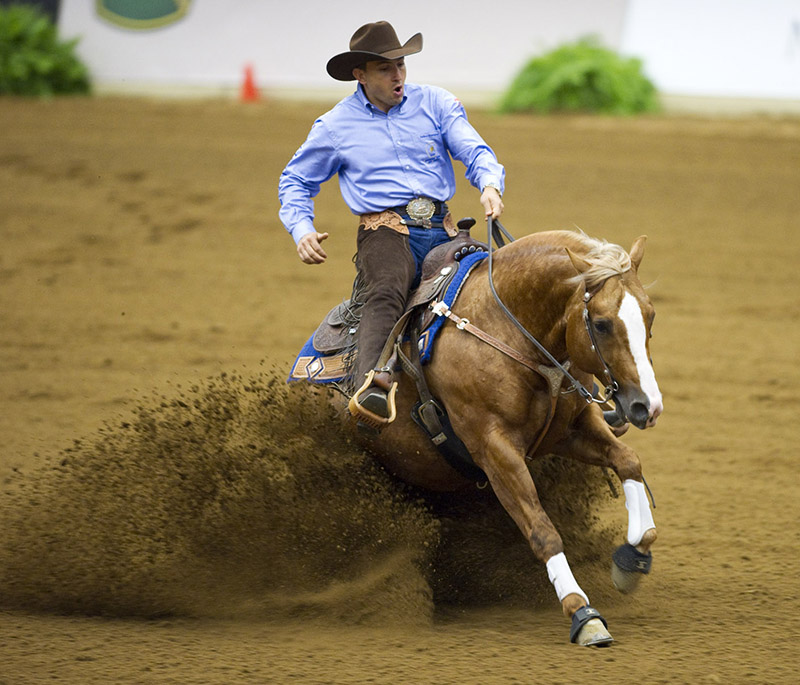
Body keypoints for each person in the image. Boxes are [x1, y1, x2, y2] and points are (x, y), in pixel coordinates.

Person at [279, 20, 506, 427]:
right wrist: (302, 229)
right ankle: (370, 389)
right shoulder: (335, 126)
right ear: (360, 75)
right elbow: (295, 180)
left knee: (496, 284)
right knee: (387, 289)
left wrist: (489, 184)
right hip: (384, 230)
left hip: (443, 228)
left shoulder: (436, 103)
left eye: (400, 64)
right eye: (385, 68)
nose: (397, 74)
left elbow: (473, 149)